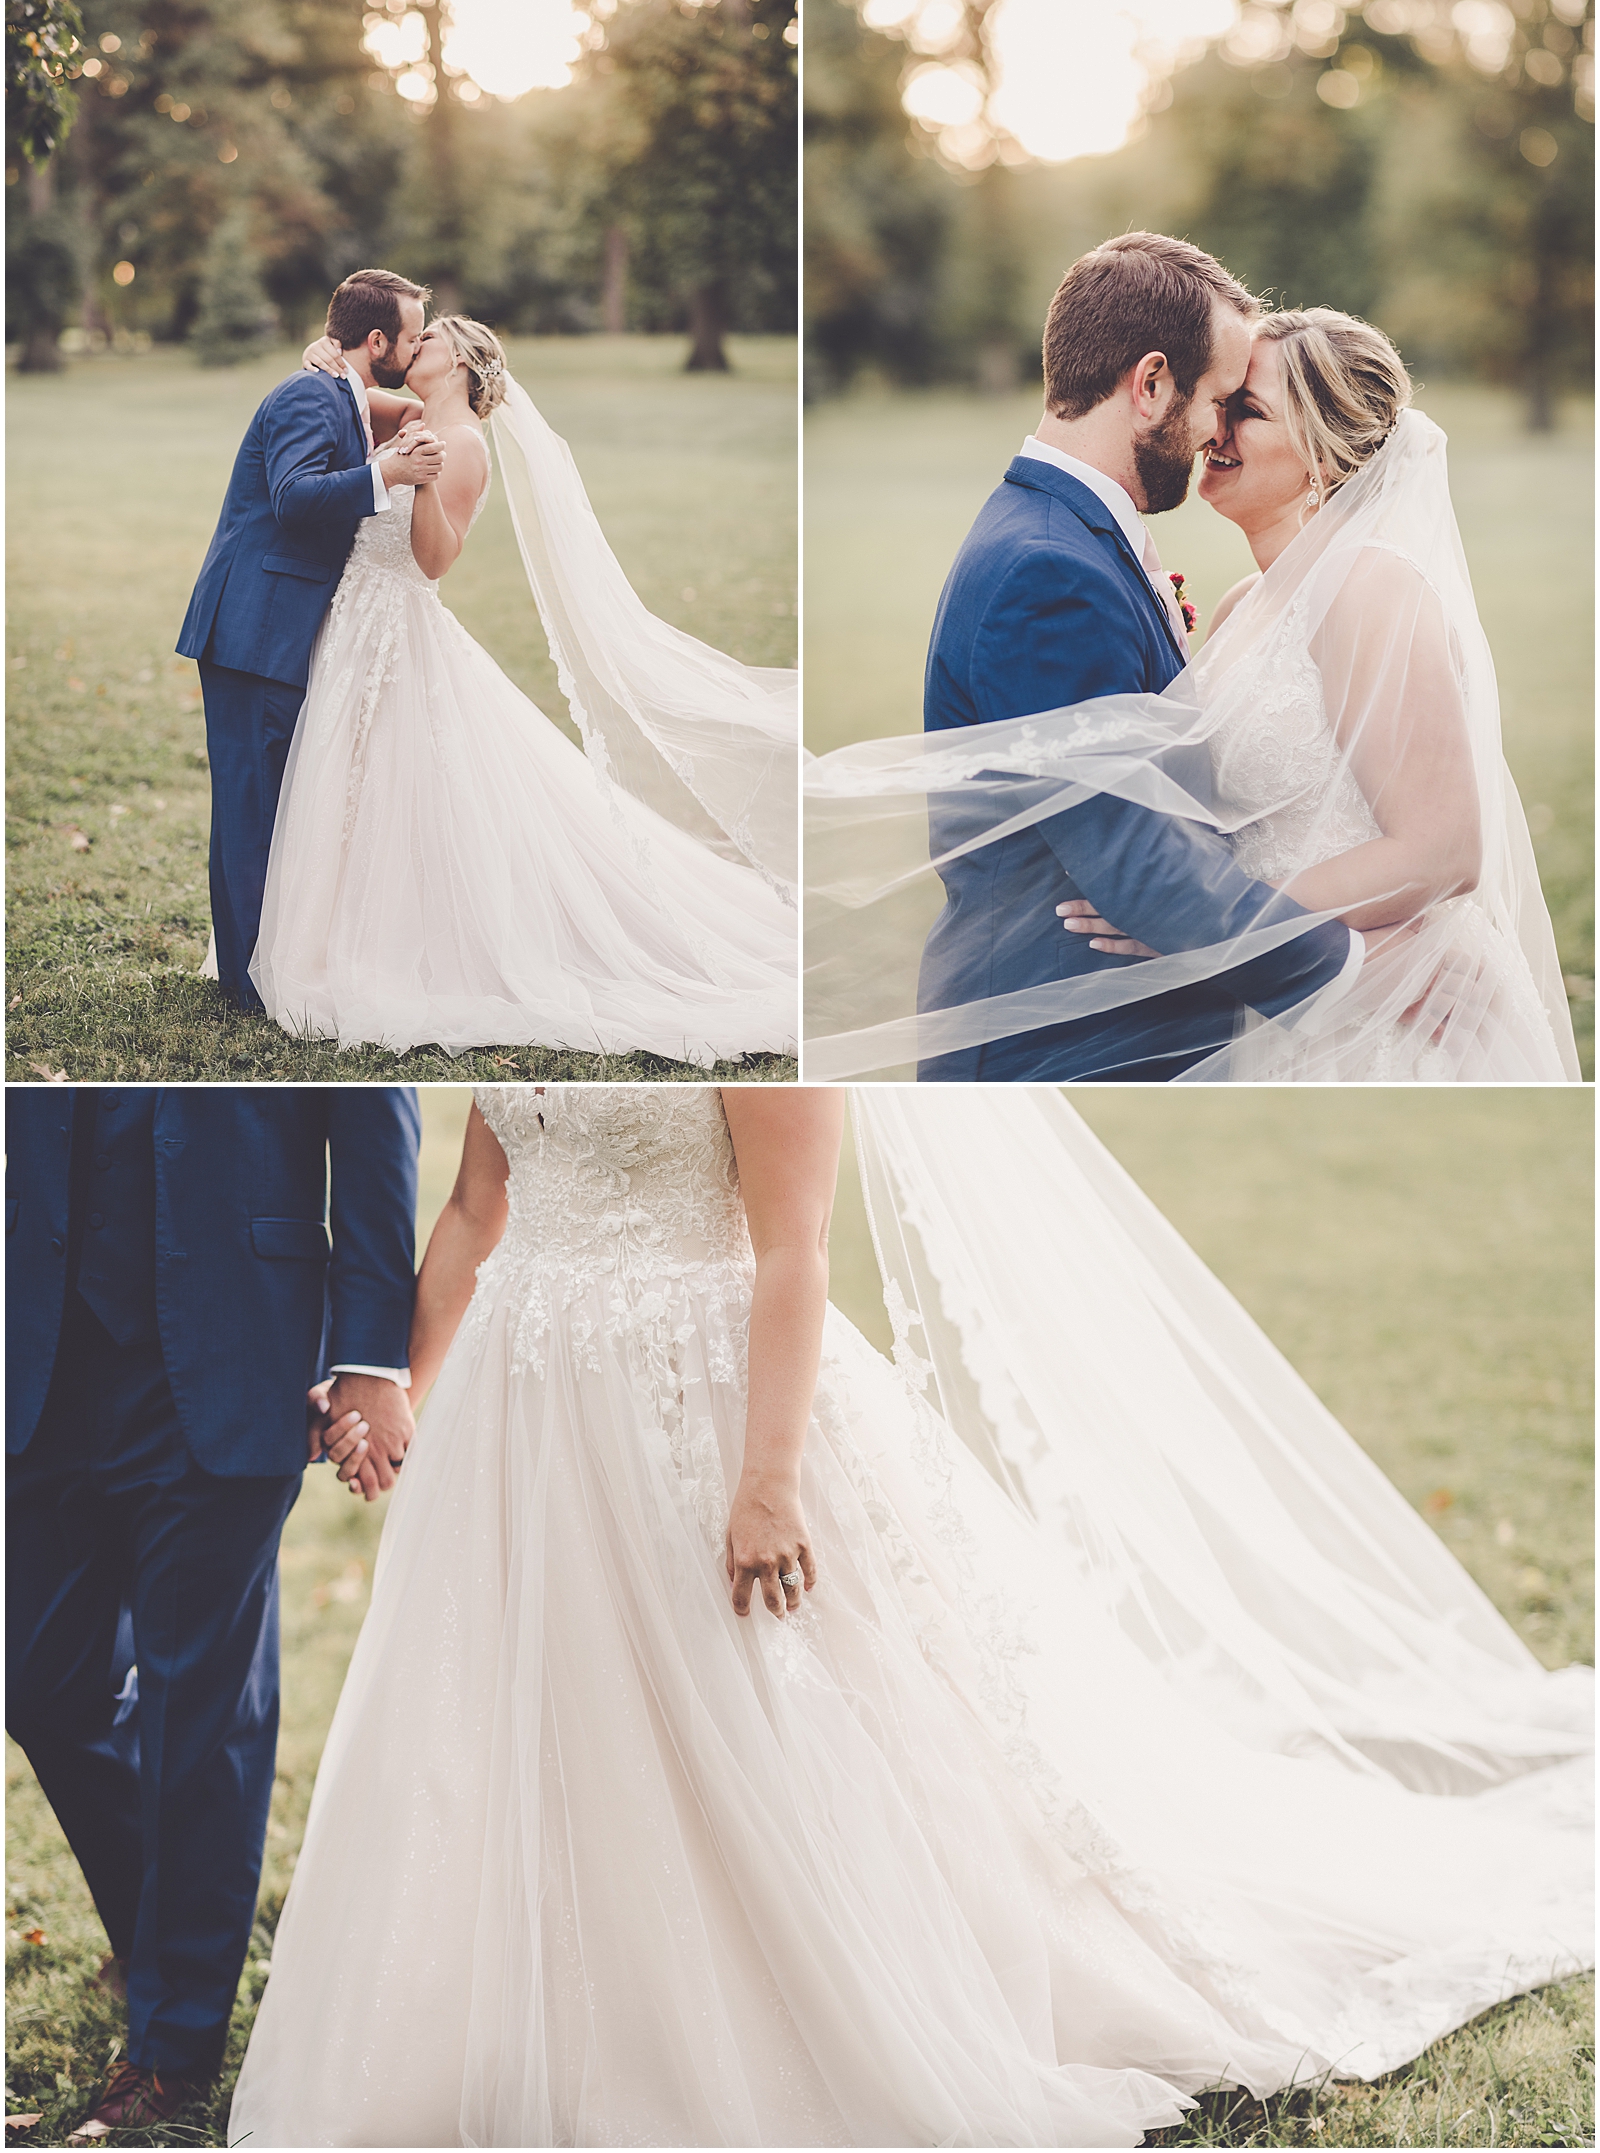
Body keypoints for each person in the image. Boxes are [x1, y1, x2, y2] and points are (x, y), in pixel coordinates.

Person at [227, 1084, 1591, 2148]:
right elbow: (474, 1210)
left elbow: (793, 1253)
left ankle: (757, 2025)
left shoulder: (764, 1025)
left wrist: (763, 1477)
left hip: (698, 1403)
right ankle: (570, 2019)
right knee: (540, 1723)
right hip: (527, 1411)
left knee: (762, 1717)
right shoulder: (527, 1000)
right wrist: (397, 1380)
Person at [802, 239, 1578, 1083]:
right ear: (1151, 385)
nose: (1217, 428)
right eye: (1221, 399)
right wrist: (1220, 925)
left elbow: (1440, 848)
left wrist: (1202, 921)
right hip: (1114, 1031)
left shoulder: (1363, 591)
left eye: (1246, 407)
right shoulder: (1077, 568)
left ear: (1324, 455)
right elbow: (1140, 851)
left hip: (1393, 1017)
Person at [5, 1086, 420, 2144]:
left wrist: (371, 1353)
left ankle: (172, 2044)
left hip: (232, 1344)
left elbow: (371, 1111)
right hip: (36, 1346)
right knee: (36, 1686)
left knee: (199, 1718)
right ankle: (164, 1933)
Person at [247, 317, 797, 1061]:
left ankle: (387, 945)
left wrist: (426, 478)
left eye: (429, 340)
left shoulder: (464, 443)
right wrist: (327, 361)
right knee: (344, 783)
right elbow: (348, 408)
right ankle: (317, 931)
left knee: (398, 785)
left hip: (396, 624)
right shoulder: (413, 415)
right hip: (353, 624)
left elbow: (435, 560)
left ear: (462, 363)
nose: (414, 349)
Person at [174, 269, 445, 1009]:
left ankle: (263, 964)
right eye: (412, 334)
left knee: (272, 803)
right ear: (377, 339)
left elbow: (416, 400)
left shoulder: (344, 390)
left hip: (279, 626)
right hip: (253, 628)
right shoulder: (308, 394)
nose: (419, 344)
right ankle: (249, 983)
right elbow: (294, 500)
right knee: (251, 806)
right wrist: (384, 472)